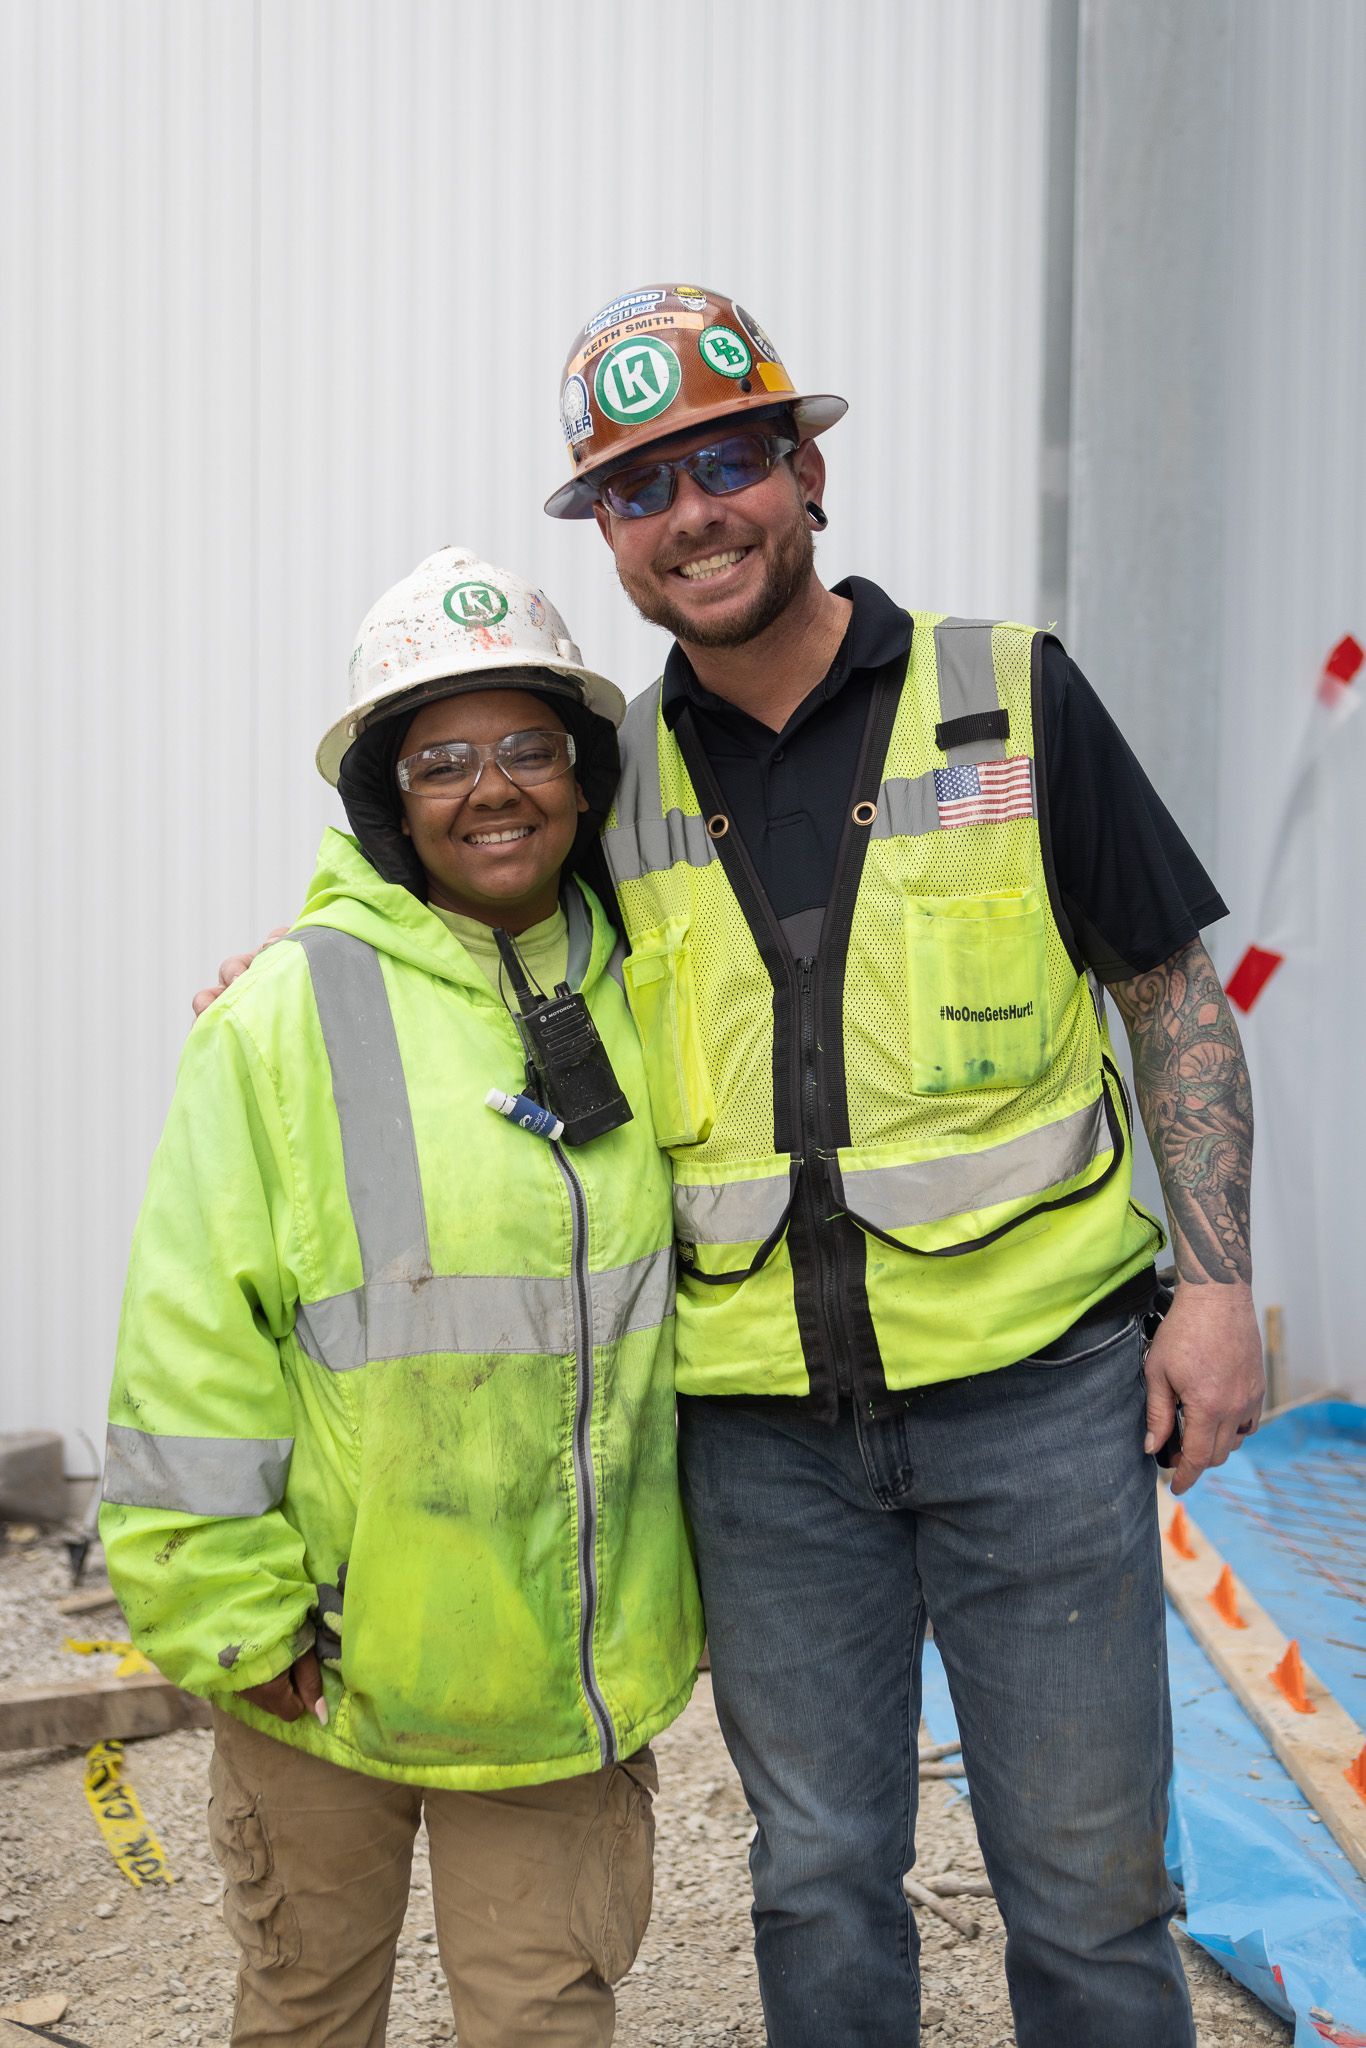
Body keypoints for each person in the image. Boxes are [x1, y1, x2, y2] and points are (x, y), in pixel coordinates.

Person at [539, 285, 1264, 2048]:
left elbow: (1162, 985)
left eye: (725, 461)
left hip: (1038, 1398)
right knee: (817, 1873)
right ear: (611, 542)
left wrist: (1223, 1283)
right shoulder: (602, 782)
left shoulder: (1009, 695)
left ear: (803, 472)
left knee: (1089, 1885)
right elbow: (435, 935)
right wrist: (276, 966)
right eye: (641, 490)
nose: (692, 515)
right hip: (762, 1438)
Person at [102, 546, 704, 2048]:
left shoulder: (679, 987)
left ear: (582, 775)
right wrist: (232, 1620)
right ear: (388, 795)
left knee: (540, 2023)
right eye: (441, 760)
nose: (489, 790)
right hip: (330, 1670)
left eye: (523, 748)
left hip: (560, 1682)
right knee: (307, 2012)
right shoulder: (280, 1017)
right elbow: (189, 1349)